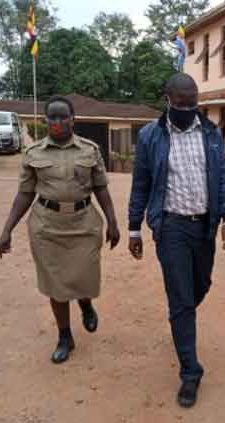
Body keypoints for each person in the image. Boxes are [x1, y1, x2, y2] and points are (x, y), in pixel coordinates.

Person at [128, 73, 225, 408]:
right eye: (181, 103)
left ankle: (181, 317)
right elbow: (141, 184)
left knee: (200, 286)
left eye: (193, 104)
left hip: (205, 226)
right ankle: (191, 372)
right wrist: (134, 228)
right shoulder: (150, 136)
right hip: (171, 227)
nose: (188, 109)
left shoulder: (211, 133)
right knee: (181, 300)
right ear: (168, 100)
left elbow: (222, 177)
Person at [0, 96, 120, 364]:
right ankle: (65, 336)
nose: (57, 121)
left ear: (72, 119)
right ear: (45, 120)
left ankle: (85, 304)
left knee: (84, 276)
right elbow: (24, 194)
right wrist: (6, 229)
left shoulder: (89, 149)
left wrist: (112, 222)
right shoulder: (34, 153)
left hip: (84, 223)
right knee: (56, 286)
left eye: (62, 116)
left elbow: (100, 187)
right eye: (52, 117)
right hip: (47, 227)